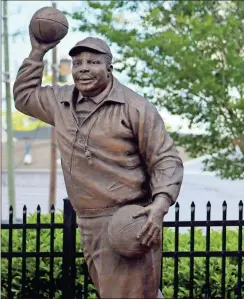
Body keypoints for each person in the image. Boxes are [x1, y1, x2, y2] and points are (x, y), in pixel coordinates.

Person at [13, 26, 183, 298]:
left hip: (126, 220)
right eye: (77, 63)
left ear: (109, 68)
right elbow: (24, 98)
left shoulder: (135, 107)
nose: (83, 68)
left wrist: (160, 205)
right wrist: (38, 52)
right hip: (87, 220)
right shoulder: (60, 101)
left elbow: (166, 159)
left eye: (93, 62)